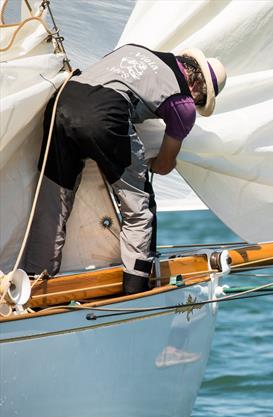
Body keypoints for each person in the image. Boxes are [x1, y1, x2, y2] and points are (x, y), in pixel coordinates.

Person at [22, 44, 226, 294]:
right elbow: (164, 164)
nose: (195, 106)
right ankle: (135, 290)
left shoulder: (134, 50)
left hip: (62, 102)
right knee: (140, 207)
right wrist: (148, 163)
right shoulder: (183, 104)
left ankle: (32, 287)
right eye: (200, 102)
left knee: (53, 201)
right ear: (198, 89)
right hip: (106, 116)